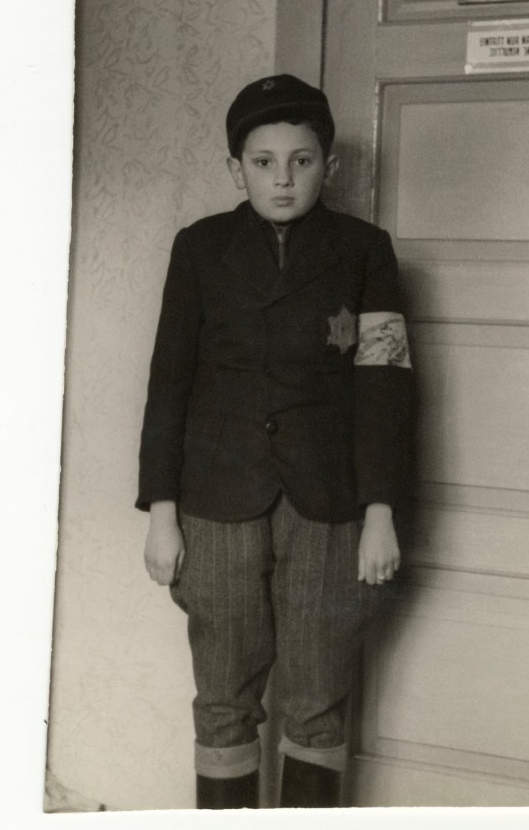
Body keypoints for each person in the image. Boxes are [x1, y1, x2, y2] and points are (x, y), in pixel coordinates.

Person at [137, 73, 413, 809]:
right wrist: (161, 511)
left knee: (317, 695)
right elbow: (168, 382)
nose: (282, 178)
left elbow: (384, 384)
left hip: (331, 504)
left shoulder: (363, 250)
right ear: (236, 169)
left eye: (301, 159)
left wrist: (380, 511)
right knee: (223, 694)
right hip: (214, 499)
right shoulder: (199, 248)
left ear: (331, 165)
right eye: (263, 162)